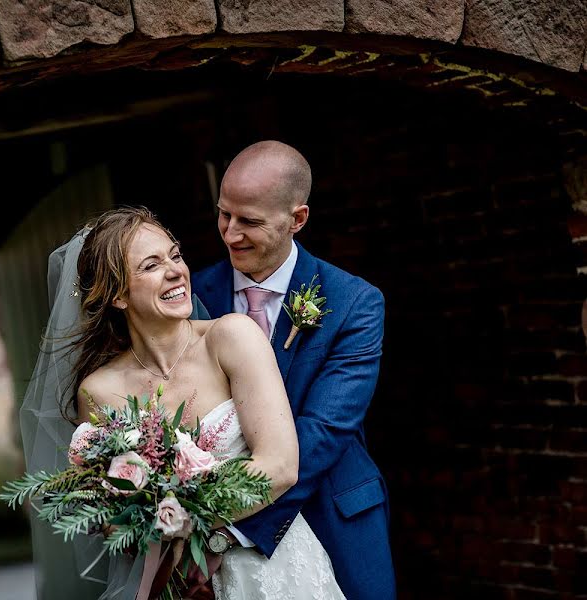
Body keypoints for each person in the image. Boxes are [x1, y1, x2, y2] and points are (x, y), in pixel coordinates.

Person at [66, 206, 345, 599]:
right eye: (151, 265)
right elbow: (111, 516)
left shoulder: (232, 338)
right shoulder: (98, 391)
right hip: (173, 580)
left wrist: (181, 518)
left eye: (175, 256)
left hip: (270, 568)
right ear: (117, 295)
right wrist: (143, 518)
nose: (176, 271)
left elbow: (280, 465)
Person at [191, 141, 397, 599]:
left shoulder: (354, 303)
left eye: (250, 221)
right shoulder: (192, 296)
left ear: (297, 219)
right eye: (224, 214)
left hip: (333, 515)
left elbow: (323, 431)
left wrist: (224, 528)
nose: (230, 234)